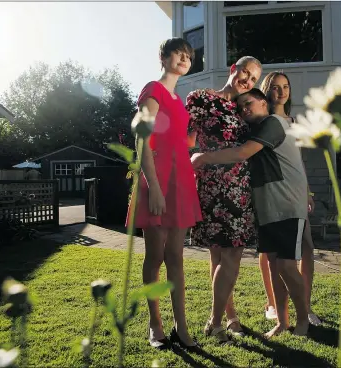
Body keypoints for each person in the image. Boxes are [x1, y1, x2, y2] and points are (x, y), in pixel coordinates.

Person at [192, 88, 309, 338]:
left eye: (249, 103)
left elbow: (242, 153)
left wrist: (203, 158)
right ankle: (282, 321)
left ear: (263, 102)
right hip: (267, 209)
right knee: (276, 268)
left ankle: (303, 320)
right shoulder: (256, 129)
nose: (245, 109)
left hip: (287, 206)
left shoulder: (272, 123)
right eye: (241, 107)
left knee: (287, 267)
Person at [125, 38, 202, 349]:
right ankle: (155, 325)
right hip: (158, 182)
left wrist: (202, 130)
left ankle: (181, 328)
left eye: (188, 56)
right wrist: (153, 187)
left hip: (181, 182)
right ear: (164, 57)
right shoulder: (152, 90)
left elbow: (181, 143)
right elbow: (143, 141)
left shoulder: (179, 100)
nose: (184, 59)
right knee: (155, 257)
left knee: (177, 258)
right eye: (179, 54)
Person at [186, 56, 262, 343]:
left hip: (240, 187)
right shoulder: (201, 99)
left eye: (254, 78)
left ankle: (228, 317)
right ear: (234, 69)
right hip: (212, 185)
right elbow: (187, 140)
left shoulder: (246, 108)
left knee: (228, 257)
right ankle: (218, 321)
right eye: (246, 72)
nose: (248, 80)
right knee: (222, 255)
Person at [259, 71, 322, 326]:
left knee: (306, 247)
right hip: (272, 191)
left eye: (285, 87)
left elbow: (298, 162)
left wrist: (307, 191)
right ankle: (273, 304)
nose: (281, 91)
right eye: (275, 87)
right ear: (267, 90)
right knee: (270, 250)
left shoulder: (294, 121)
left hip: (296, 190)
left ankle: (304, 305)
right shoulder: (263, 121)